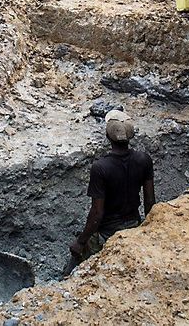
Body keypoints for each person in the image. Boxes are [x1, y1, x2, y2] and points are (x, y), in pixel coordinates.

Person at [68, 112, 155, 269]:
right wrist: (148, 230)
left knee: (77, 268)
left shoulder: (100, 168)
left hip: (107, 232)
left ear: (108, 136)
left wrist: (80, 242)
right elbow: (149, 200)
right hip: (134, 225)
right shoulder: (144, 159)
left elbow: (97, 213)